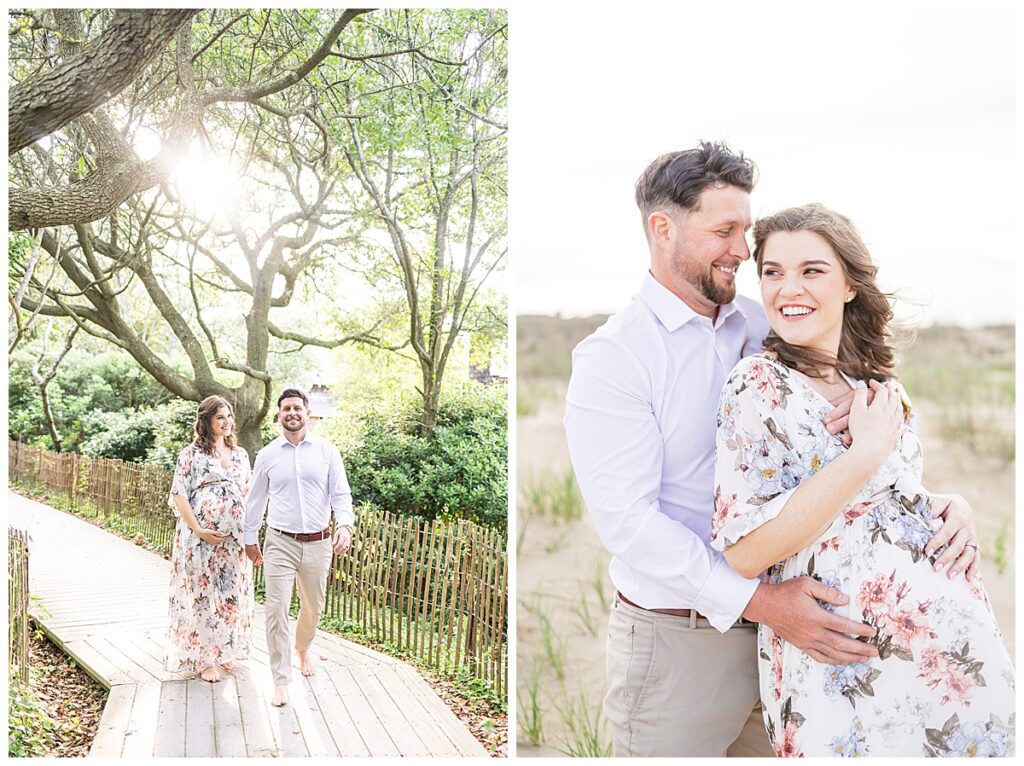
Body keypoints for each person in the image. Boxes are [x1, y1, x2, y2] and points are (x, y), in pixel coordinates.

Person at [563, 142, 981, 757]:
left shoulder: (766, 325)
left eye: (745, 231)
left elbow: (831, 455)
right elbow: (628, 526)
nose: (742, 249)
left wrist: (940, 504)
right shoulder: (614, 358)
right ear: (662, 228)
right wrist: (761, 603)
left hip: (797, 644)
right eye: (724, 230)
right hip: (682, 644)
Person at [710, 204, 1014, 757]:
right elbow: (744, 555)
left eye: (812, 270)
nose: (787, 288)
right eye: (773, 271)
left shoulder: (877, 387)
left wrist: (952, 505)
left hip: (948, 660)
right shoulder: (756, 385)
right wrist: (866, 452)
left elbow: (891, 501)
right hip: (845, 670)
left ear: (850, 284)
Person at [243, 387, 354, 707]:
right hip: (280, 542)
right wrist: (250, 539)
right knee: (276, 609)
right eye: (286, 408)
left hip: (319, 543)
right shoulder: (267, 455)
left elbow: (340, 495)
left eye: (297, 408)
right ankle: (280, 679)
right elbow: (255, 501)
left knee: (314, 607)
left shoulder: (327, 452)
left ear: (308, 414)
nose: (292, 413)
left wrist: (345, 524)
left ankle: (303, 647)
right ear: (279, 415)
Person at [166, 395, 254, 683]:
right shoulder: (190, 455)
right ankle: (205, 660)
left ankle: (225, 650)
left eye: (229, 416)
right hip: (199, 539)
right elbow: (179, 495)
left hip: (233, 542)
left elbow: (249, 493)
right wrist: (200, 529)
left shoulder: (240, 454)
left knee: (230, 595)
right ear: (206, 421)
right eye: (220, 417)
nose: (227, 422)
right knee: (203, 595)